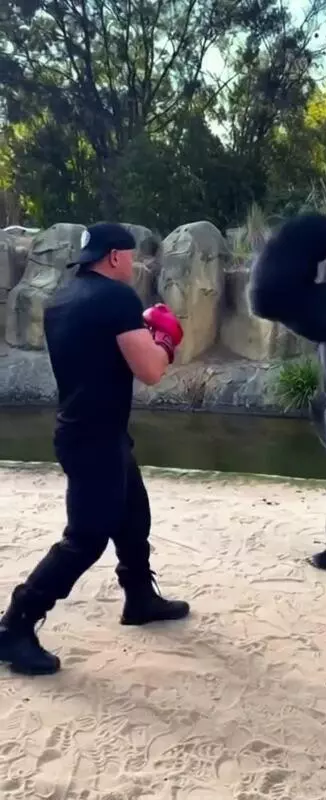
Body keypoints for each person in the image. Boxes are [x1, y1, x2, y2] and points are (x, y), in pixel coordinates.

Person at [0, 222, 190, 676]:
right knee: (85, 539)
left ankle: (139, 597)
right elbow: (150, 371)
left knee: (133, 515)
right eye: (131, 256)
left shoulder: (62, 299)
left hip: (87, 430)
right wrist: (164, 340)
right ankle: (15, 624)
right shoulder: (117, 299)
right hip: (95, 438)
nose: (134, 264)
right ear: (115, 257)